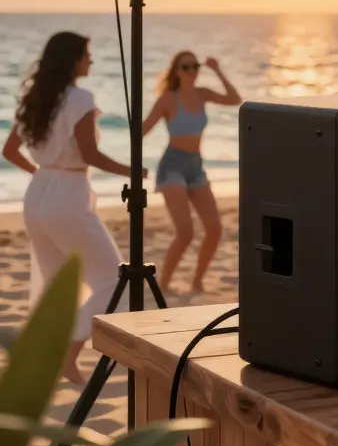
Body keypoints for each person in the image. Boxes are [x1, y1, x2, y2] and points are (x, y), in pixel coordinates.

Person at [2, 33, 140, 383]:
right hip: (67, 196)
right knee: (113, 280)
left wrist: (43, 173)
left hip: (37, 195)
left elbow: (9, 151)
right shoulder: (80, 98)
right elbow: (89, 154)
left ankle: (46, 354)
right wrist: (132, 170)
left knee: (56, 282)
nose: (90, 60)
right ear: (73, 60)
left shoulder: (36, 98)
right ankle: (68, 353)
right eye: (86, 54)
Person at [140, 52, 241, 294]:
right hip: (172, 166)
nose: (192, 71)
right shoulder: (168, 99)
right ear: (176, 71)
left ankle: (197, 281)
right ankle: (163, 285)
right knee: (185, 232)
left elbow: (234, 99)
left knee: (215, 228)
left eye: (195, 66)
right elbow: (141, 131)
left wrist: (217, 70)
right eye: (186, 67)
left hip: (195, 166)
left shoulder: (202, 94)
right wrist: (132, 166)